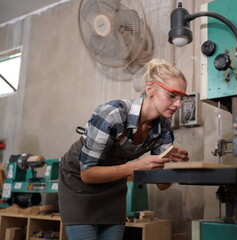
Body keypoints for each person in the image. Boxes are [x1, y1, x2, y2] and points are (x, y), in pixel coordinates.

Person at [58, 59, 190, 240]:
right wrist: (135, 167)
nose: (179, 104)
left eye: (182, 97)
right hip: (79, 181)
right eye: (172, 96)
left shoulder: (164, 128)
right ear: (150, 89)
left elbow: (162, 185)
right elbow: (87, 174)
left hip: (113, 183)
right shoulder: (113, 113)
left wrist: (174, 167)